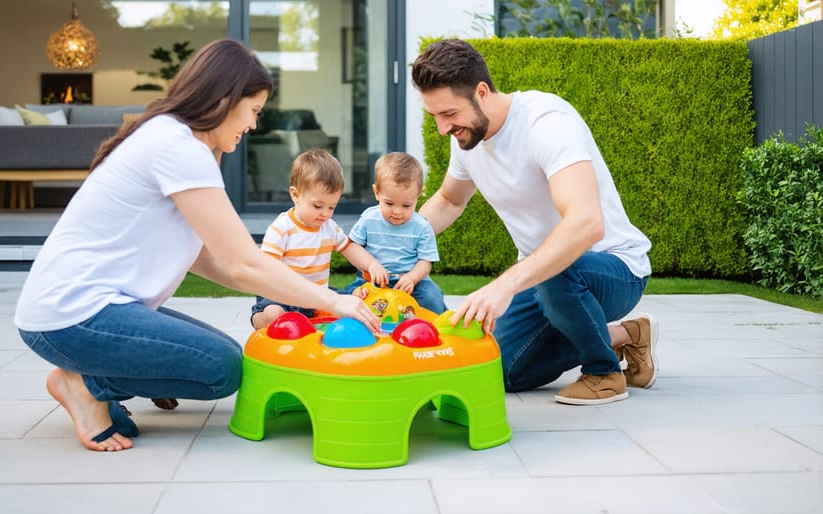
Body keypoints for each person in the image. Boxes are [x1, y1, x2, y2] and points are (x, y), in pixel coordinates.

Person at [13, 39, 381, 452]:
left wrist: (302, 296)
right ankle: (83, 381)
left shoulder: (177, 140)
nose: (254, 125)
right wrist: (334, 301)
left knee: (225, 357)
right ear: (225, 99)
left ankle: (93, 377)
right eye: (254, 111)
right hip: (72, 314)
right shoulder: (178, 147)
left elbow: (212, 260)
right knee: (220, 369)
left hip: (87, 310)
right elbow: (243, 263)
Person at [411, 38, 657, 406]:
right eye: (435, 117)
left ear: (481, 92)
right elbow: (449, 200)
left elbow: (587, 223)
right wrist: (394, 242)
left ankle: (603, 373)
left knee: (557, 271)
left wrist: (505, 285)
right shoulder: (468, 138)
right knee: (503, 370)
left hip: (614, 268)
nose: (443, 128)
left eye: (449, 114)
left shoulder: (546, 123)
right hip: (546, 278)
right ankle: (625, 336)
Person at [250, 148, 389, 329]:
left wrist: (372, 265)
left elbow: (350, 248)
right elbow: (267, 269)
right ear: (295, 195)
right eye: (318, 206)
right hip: (281, 296)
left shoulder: (328, 228)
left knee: (350, 302)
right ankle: (260, 319)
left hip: (316, 296)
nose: (325, 213)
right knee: (275, 314)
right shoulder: (282, 229)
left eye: (332, 207)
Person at [344, 152, 447, 314]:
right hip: (372, 280)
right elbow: (351, 246)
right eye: (389, 203)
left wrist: (411, 278)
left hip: (411, 282)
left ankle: (427, 330)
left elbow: (425, 262)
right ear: (377, 192)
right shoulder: (369, 218)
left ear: (419, 195)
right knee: (351, 298)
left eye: (406, 205)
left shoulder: (421, 226)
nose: (397, 212)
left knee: (432, 299)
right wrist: (372, 265)